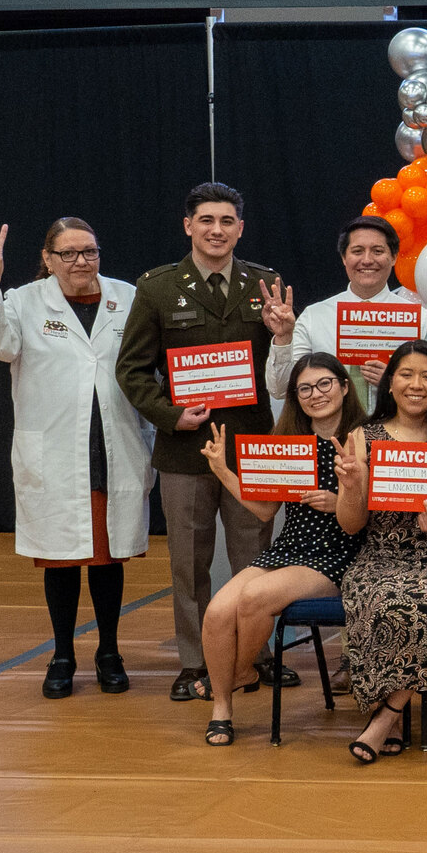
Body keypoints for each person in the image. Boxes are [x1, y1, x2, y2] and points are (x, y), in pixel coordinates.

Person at [113, 182, 286, 703]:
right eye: (206, 220)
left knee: (255, 556)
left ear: (241, 227)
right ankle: (194, 663)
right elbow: (132, 368)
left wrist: (283, 334)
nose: (217, 230)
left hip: (252, 447)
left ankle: (257, 653)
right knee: (188, 561)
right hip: (186, 449)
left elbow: (283, 367)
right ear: (188, 226)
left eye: (227, 220)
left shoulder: (266, 284)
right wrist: (170, 414)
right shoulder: (159, 288)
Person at [0, 217, 148, 700]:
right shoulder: (24, 301)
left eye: (88, 251)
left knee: (108, 558)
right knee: (62, 562)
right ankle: (62, 654)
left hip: (114, 445)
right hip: (56, 451)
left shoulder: (128, 297)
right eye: (67, 254)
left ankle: (109, 651)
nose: (79, 262)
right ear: (47, 259)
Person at [189, 350, 362, 745]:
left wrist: (340, 503)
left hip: (341, 553)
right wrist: (224, 472)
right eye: (304, 389)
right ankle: (223, 709)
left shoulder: (364, 437)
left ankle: (238, 675)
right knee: (217, 612)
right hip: (290, 549)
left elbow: (379, 511)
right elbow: (265, 511)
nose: (315, 394)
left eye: (324, 384)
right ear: (295, 397)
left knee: (255, 596)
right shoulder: (287, 441)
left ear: (344, 386)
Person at [335, 340, 427, 764]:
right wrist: (350, 486)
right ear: (389, 381)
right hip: (380, 551)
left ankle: (385, 718)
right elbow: (351, 525)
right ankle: (392, 720)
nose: (416, 385)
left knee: (420, 603)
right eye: (406, 374)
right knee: (376, 596)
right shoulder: (363, 436)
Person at [267, 214, 427, 409]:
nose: (367, 260)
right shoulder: (314, 317)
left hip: (398, 433)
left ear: (394, 257)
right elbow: (281, 389)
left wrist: (398, 383)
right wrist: (284, 338)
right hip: (332, 434)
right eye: (357, 251)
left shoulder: (418, 319)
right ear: (344, 257)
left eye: (378, 251)